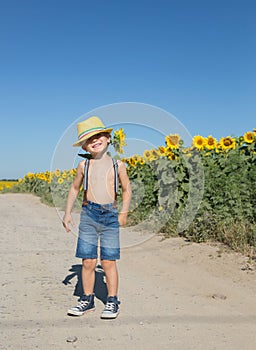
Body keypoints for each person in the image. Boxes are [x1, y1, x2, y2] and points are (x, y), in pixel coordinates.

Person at [62, 116, 132, 319]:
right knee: (88, 261)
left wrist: (124, 212)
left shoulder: (119, 166)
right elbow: (75, 189)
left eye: (99, 135)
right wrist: (67, 213)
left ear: (108, 138)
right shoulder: (84, 167)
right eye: (89, 139)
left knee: (108, 261)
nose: (95, 140)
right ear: (84, 145)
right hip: (88, 215)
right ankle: (87, 299)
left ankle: (112, 301)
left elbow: (127, 190)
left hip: (110, 215)